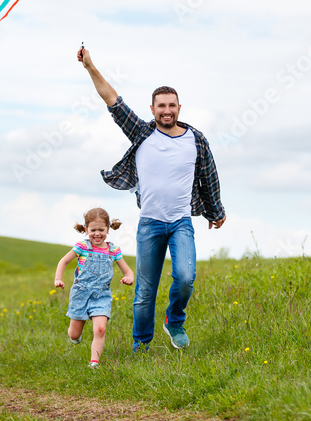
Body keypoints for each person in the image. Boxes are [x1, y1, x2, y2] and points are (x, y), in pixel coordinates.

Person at [78, 46, 226, 352]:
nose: (167, 111)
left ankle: (174, 321)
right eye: (161, 106)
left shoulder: (196, 140)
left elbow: (210, 176)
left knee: (185, 277)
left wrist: (216, 211)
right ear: (153, 108)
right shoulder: (142, 133)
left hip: (181, 222)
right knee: (145, 291)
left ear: (179, 107)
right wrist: (90, 66)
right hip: (150, 224)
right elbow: (112, 100)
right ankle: (141, 345)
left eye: (172, 105)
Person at [53, 208, 135, 368]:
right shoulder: (82, 247)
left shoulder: (113, 250)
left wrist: (129, 277)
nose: (97, 234)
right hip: (81, 295)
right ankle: (75, 335)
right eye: (93, 230)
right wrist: (58, 279)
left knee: (100, 329)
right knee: (74, 334)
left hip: (101, 296)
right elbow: (63, 262)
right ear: (86, 229)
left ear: (108, 229)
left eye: (101, 230)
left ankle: (94, 363)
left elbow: (128, 271)